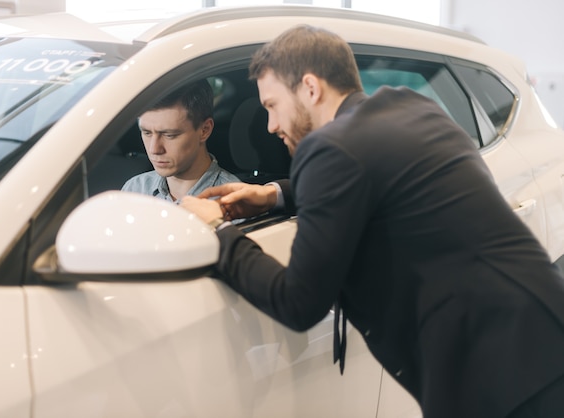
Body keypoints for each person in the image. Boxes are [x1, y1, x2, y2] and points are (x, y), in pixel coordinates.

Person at [181, 25, 564, 418]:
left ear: (310, 88)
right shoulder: (410, 107)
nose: (270, 125)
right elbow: (377, 170)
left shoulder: (327, 150)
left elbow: (297, 303)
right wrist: (274, 195)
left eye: (272, 105)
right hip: (545, 336)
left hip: (495, 379)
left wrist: (218, 231)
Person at [122, 79, 238, 202]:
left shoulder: (234, 202)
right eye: (147, 133)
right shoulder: (134, 190)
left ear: (205, 130)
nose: (154, 149)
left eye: (169, 135)